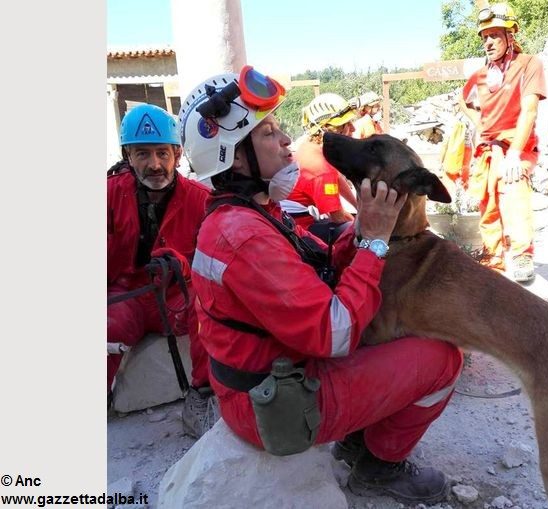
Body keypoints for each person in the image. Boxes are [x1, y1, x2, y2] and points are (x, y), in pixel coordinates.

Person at [180, 67, 464, 505]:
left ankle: (357, 441)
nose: (287, 141)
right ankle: (378, 465)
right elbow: (336, 332)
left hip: (272, 378)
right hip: (276, 405)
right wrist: (374, 241)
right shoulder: (243, 235)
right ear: (236, 157)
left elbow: (321, 261)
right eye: (270, 133)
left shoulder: (249, 214)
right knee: (443, 360)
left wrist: (362, 230)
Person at [107, 103, 217, 438]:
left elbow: (213, 261)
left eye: (161, 153)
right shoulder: (108, 193)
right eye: (142, 154)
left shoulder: (201, 199)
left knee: (208, 306)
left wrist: (180, 265)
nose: (154, 164)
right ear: (128, 156)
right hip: (126, 294)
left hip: (178, 296)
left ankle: (201, 395)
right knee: (106, 327)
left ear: (177, 154)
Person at [458, 2, 546, 282]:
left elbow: (529, 110)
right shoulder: (482, 75)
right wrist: (480, 123)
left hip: (515, 147)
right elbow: (462, 101)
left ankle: (522, 254)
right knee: (488, 202)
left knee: (513, 183)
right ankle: (493, 256)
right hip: (488, 149)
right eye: (485, 37)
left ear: (511, 36)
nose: (488, 42)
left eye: (495, 35)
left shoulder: (529, 65)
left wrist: (514, 154)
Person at [281, 93, 358, 241]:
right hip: (298, 229)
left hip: (292, 219)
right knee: (353, 234)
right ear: (330, 130)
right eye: (347, 124)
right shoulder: (321, 168)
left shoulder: (312, 147)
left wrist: (358, 207)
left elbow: (337, 179)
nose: (353, 129)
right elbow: (338, 217)